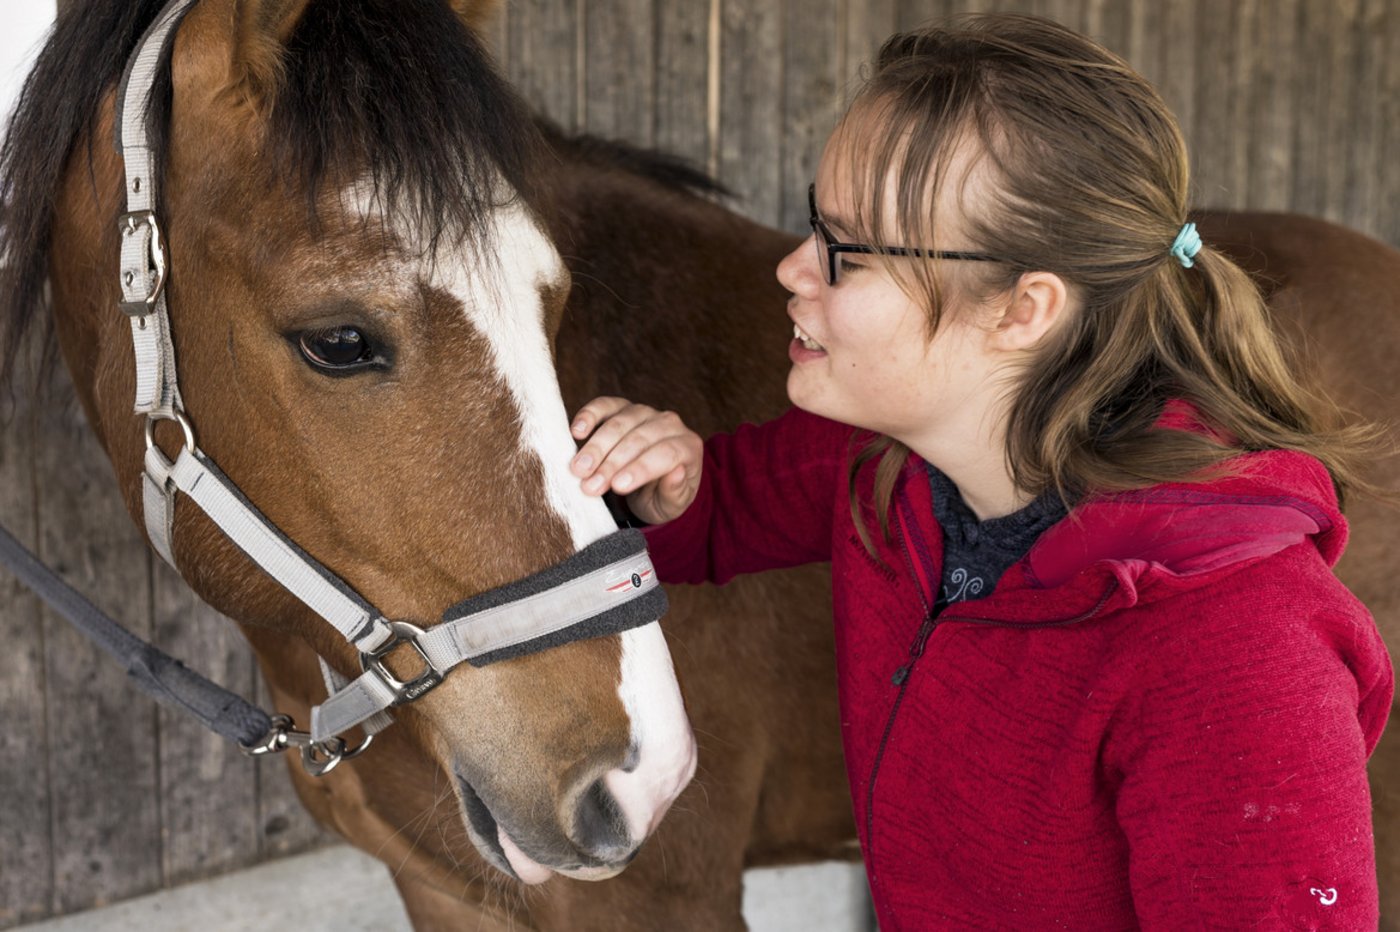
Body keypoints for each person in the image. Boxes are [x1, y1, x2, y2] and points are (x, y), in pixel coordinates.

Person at [568, 14, 1393, 929]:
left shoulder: (1240, 661)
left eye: (848, 250)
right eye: (814, 223)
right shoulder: (892, 474)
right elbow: (718, 513)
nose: (793, 268)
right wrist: (665, 484)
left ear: (1022, 310)